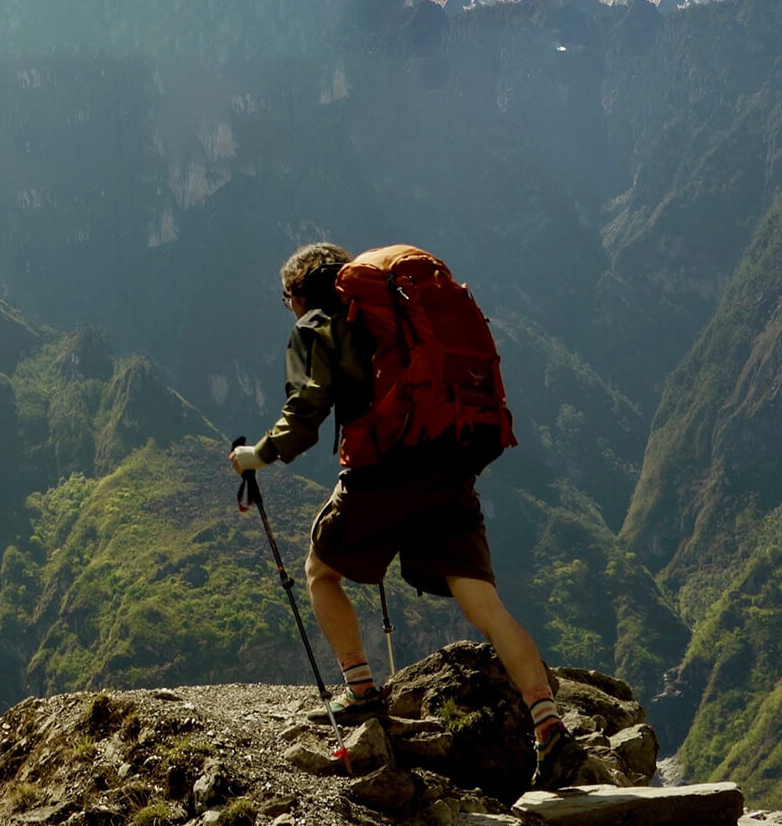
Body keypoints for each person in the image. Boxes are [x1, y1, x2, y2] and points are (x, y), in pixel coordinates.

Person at [227, 240, 587, 790]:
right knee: (488, 608)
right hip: (449, 463)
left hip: (386, 469)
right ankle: (549, 728)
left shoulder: (318, 324)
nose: (290, 308)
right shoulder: (390, 310)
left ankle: (361, 689)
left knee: (321, 573)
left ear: (299, 290)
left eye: (286, 299)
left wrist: (258, 455)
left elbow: (306, 415)